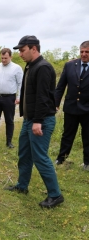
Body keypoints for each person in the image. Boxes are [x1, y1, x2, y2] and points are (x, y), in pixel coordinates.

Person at [5, 35, 64, 208]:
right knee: (24, 154)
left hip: (41, 120)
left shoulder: (43, 67)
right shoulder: (31, 66)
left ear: (34, 49)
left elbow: (43, 97)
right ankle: (22, 186)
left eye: (22, 50)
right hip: (30, 120)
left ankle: (55, 195)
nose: (20, 54)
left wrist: (38, 121)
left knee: (40, 157)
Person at [54, 41, 89, 170]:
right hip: (71, 107)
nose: (84, 54)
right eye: (82, 52)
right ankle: (61, 159)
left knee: (88, 136)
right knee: (67, 135)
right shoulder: (70, 65)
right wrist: (56, 104)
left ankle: (87, 163)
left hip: (87, 109)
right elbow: (60, 86)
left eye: (87, 52)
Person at [0, 48, 23, 148]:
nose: (3, 60)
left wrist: (19, 97)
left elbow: (21, 84)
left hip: (9, 98)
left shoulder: (17, 68)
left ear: (10, 57)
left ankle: (9, 142)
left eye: (6, 58)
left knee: (9, 120)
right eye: (2, 58)